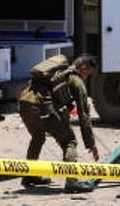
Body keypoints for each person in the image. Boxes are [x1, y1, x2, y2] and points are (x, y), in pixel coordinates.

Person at [19, 54, 100, 193]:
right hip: (42, 108)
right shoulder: (75, 80)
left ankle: (29, 175)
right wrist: (91, 144)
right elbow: (84, 116)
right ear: (83, 67)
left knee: (38, 137)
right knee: (69, 142)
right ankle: (72, 181)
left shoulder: (56, 73)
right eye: (88, 74)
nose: (86, 77)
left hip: (25, 103)